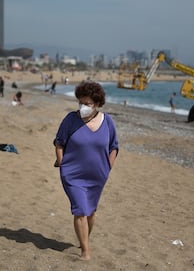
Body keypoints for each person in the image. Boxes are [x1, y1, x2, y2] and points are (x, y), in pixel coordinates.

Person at [53, 81, 119, 260]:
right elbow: (59, 143)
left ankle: (84, 240)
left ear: (97, 104)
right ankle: (85, 251)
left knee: (90, 212)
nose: (83, 107)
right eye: (80, 102)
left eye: (87, 104)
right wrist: (63, 165)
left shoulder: (108, 122)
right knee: (80, 210)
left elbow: (114, 147)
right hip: (72, 175)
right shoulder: (70, 120)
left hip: (97, 176)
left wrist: (108, 168)